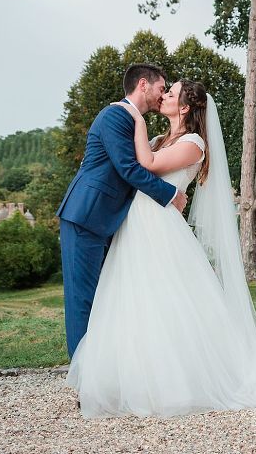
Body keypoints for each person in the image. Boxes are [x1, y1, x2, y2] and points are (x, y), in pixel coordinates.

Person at [66, 79, 256, 417]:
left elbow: (147, 165)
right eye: (165, 90)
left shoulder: (193, 143)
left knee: (168, 303)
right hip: (137, 225)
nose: (165, 95)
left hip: (159, 227)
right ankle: (135, 379)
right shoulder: (160, 139)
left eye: (172, 93)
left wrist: (136, 119)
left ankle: (177, 383)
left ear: (184, 107)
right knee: (135, 302)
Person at [57, 64, 188, 359]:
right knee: (83, 300)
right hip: (86, 216)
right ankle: (84, 381)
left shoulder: (135, 122)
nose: (162, 94)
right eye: (160, 88)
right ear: (143, 84)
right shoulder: (116, 114)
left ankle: (102, 373)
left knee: (104, 299)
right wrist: (171, 195)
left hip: (105, 220)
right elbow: (128, 169)